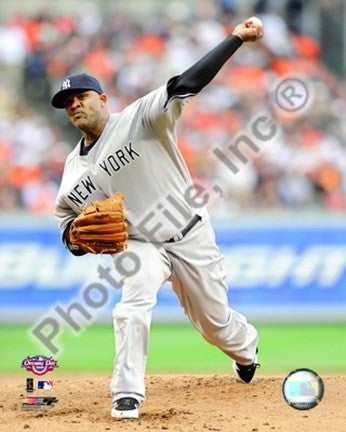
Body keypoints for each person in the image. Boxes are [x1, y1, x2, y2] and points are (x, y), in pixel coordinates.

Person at [52, 17, 264, 420]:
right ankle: (126, 393)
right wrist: (75, 238)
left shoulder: (140, 117)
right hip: (139, 244)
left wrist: (234, 39)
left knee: (215, 324)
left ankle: (246, 347)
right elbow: (65, 221)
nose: (74, 104)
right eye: (67, 103)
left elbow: (188, 82)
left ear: (103, 98)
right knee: (133, 303)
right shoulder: (72, 170)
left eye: (81, 96)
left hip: (189, 233)